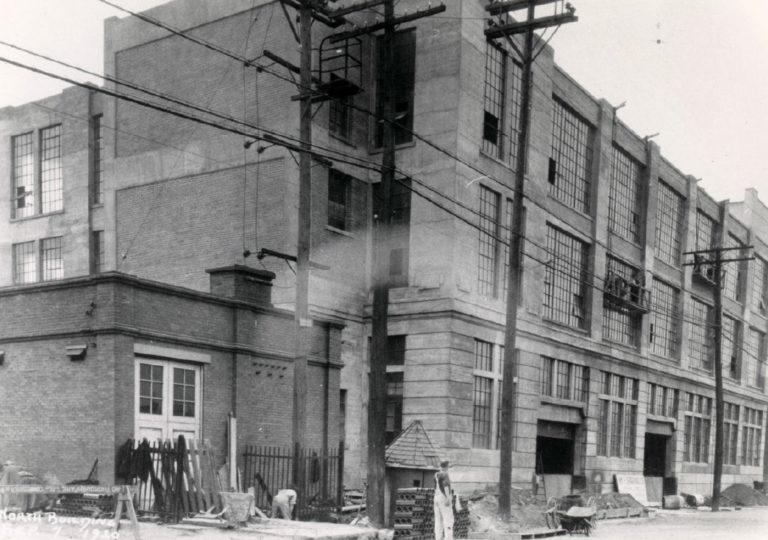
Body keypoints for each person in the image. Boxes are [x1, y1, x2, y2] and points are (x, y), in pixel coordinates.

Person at [434, 460, 460, 540]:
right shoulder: (445, 474)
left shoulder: (436, 474)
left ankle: (438, 538)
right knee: (448, 520)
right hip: (444, 498)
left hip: (436, 498)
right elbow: (446, 486)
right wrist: (448, 498)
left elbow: (435, 487)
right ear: (447, 467)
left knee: (438, 521)